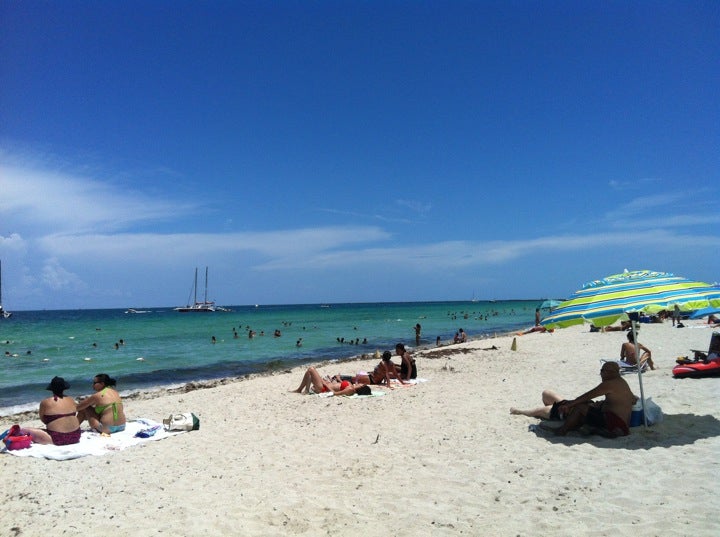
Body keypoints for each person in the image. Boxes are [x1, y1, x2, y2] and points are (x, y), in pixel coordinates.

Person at [552, 362, 636, 437]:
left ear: (609, 372)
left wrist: (568, 405)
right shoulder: (622, 382)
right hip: (623, 426)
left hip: (614, 424)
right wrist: (607, 403)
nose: (600, 373)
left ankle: (562, 431)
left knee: (580, 407)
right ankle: (573, 426)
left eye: (602, 371)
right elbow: (633, 399)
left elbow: (588, 396)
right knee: (588, 408)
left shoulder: (608, 384)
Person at [20, 376, 81, 446]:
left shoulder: (45, 402)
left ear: (52, 389)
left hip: (58, 438)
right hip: (76, 436)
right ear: (64, 388)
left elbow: (43, 420)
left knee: (24, 430)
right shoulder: (71, 399)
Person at [290, 367, 368, 396]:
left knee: (311, 369)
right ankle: (299, 389)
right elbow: (340, 386)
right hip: (326, 384)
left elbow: (335, 393)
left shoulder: (351, 390)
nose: (360, 383)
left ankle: (306, 390)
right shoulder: (352, 386)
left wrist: (325, 384)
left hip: (323, 389)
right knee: (308, 372)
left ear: (360, 388)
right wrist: (338, 379)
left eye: (361, 385)